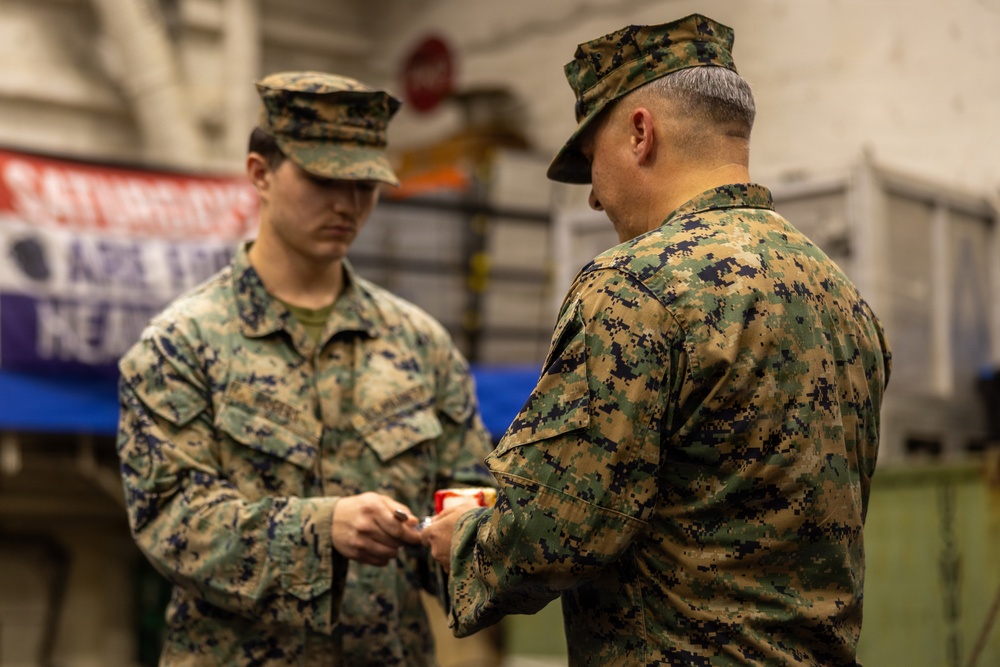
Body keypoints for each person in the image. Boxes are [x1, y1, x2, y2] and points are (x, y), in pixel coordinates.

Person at [422, 13, 892, 666]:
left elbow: (552, 529)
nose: (593, 198)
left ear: (640, 132)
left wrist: (464, 539)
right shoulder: (841, 295)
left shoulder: (634, 286)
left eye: (592, 161)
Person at [116, 71, 496, 666]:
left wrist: (470, 534)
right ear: (259, 174)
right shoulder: (180, 344)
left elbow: (466, 495)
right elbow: (172, 519)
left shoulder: (420, 343)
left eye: (365, 184)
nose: (347, 204)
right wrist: (323, 529)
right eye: (323, 179)